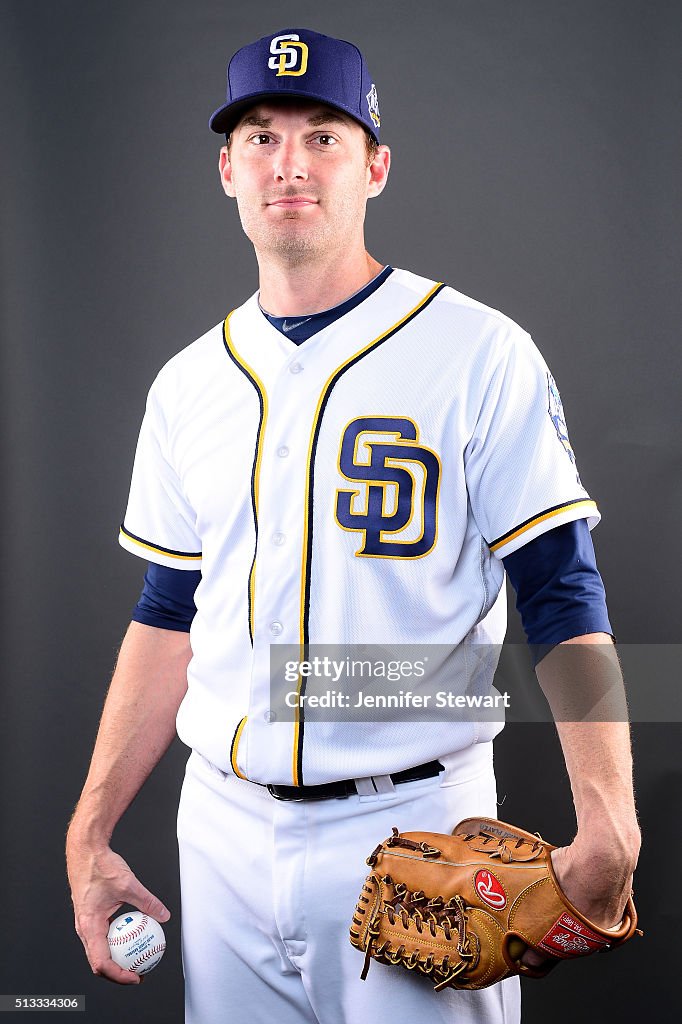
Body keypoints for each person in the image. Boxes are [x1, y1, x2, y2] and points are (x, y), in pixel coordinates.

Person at [65, 27, 640, 1024]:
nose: (289, 161)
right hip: (222, 833)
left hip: (414, 827)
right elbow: (168, 610)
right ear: (226, 170)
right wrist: (89, 829)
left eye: (322, 134)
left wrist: (610, 817)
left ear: (374, 164)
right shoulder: (188, 384)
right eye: (261, 135)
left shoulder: (479, 353)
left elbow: (560, 589)